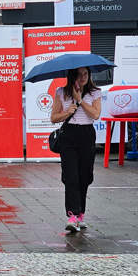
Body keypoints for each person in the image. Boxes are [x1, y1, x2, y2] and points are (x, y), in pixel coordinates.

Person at [50, 66, 101, 233]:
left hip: (86, 134)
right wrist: (67, 113)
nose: (83, 78)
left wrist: (80, 100)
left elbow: (95, 114)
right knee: (70, 176)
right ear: (72, 76)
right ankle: (72, 215)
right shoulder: (61, 92)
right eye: (79, 75)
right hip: (69, 136)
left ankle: (80, 214)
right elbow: (53, 117)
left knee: (85, 175)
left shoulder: (95, 93)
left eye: (85, 74)